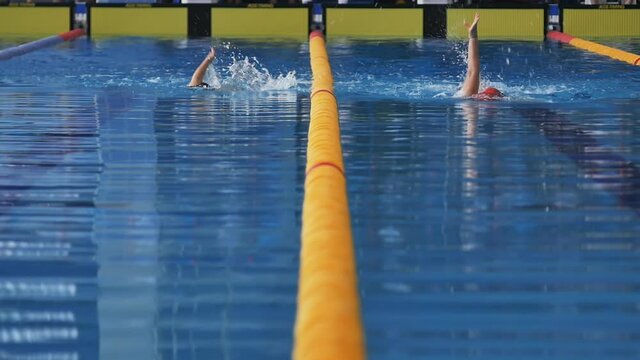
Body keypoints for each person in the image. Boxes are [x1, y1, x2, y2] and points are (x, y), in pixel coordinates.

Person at [460, 13, 504, 101]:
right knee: (472, 72)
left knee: (472, 72)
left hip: (469, 96)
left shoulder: (470, 95)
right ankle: (472, 36)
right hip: (469, 96)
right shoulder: (470, 95)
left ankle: (472, 36)